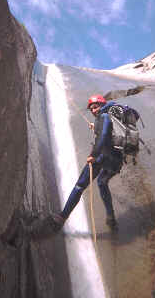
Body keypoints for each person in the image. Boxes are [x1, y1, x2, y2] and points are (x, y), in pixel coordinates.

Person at [51, 94, 123, 231]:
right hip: (116, 161)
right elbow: (106, 134)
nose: (93, 111)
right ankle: (111, 218)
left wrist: (93, 155)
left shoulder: (104, 117)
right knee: (102, 182)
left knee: (79, 186)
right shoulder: (111, 118)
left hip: (103, 157)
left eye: (95, 107)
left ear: (102, 105)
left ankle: (62, 217)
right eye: (91, 109)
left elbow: (102, 137)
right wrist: (95, 127)